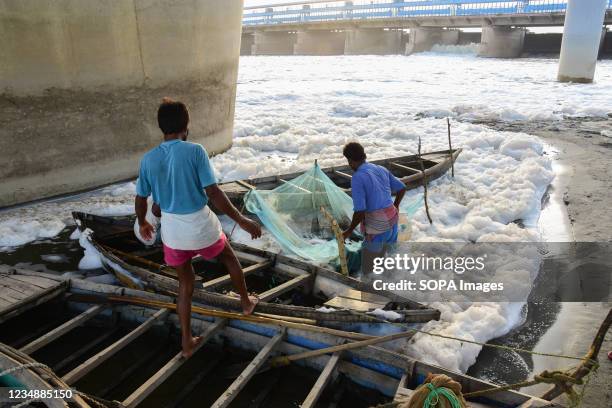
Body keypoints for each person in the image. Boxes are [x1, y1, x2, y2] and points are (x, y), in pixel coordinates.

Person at [135, 98, 261, 358]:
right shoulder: (195, 151)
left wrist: (144, 221)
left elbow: (141, 199)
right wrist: (242, 220)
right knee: (228, 256)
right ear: (186, 125)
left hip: (172, 233)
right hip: (199, 225)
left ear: (161, 127)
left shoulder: (149, 159)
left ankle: (187, 341)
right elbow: (213, 192)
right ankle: (246, 303)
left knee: (185, 283)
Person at [341, 142, 406, 256]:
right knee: (391, 259)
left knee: (370, 268)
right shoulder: (380, 168)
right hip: (393, 221)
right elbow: (402, 188)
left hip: (378, 229)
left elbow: (360, 210)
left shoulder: (357, 178)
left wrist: (349, 231)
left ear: (350, 160)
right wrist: (396, 206)